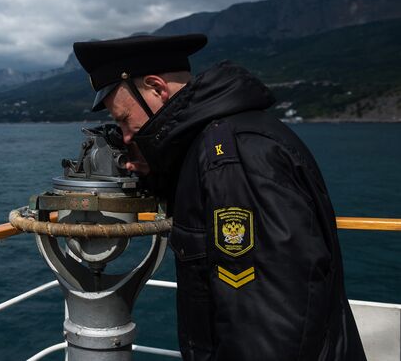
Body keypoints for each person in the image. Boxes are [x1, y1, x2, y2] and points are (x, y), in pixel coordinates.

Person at [73, 34, 366, 360]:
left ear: (157, 88)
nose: (127, 136)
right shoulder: (224, 142)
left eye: (125, 121)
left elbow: (268, 323)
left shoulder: (230, 160)